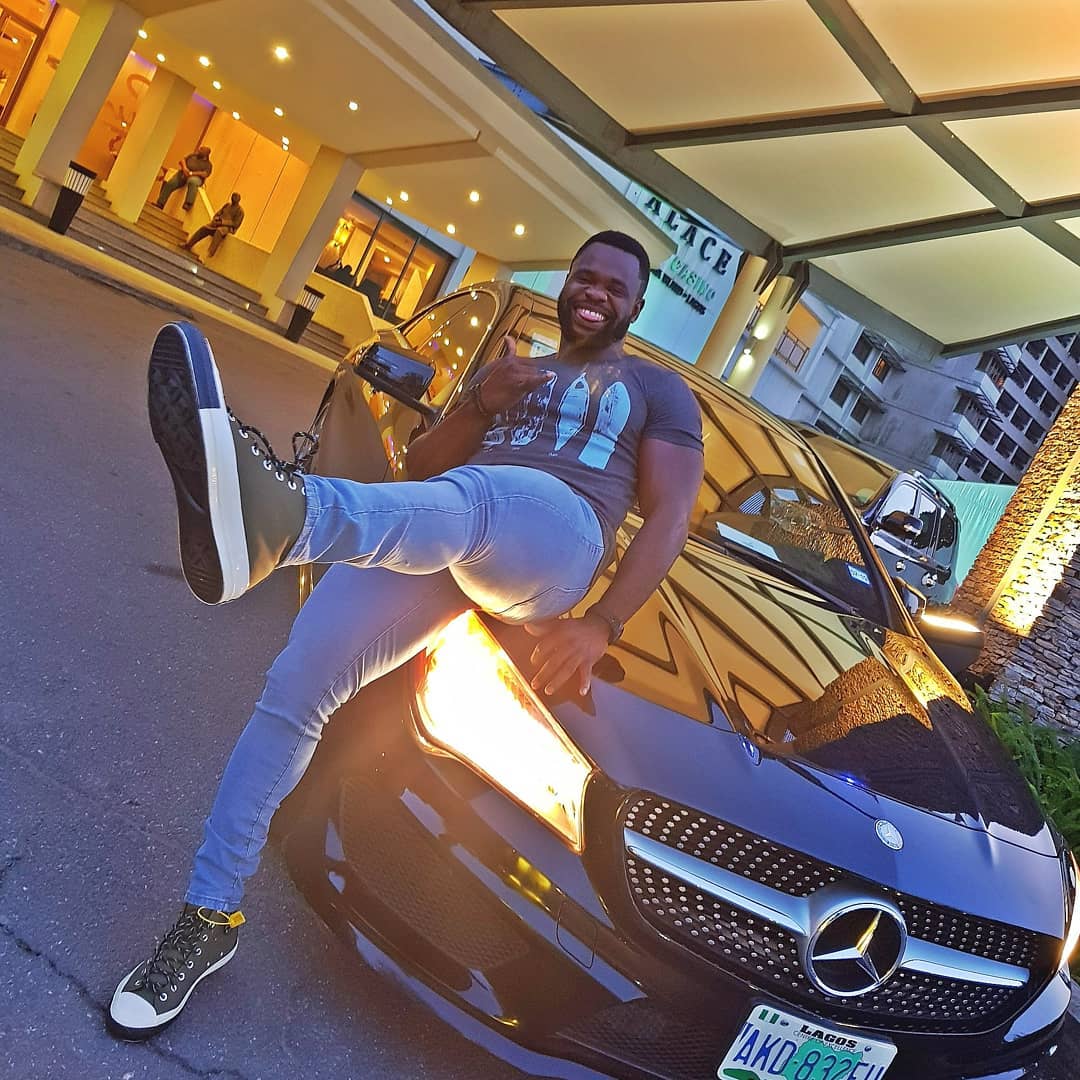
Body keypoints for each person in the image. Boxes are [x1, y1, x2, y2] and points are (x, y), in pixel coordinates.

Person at [107, 231, 705, 1039]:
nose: (595, 292)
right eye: (584, 276)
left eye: (615, 286)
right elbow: (423, 466)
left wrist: (603, 622)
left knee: (486, 495)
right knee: (296, 688)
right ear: (567, 283)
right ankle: (208, 916)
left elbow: (670, 514)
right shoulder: (515, 370)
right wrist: (481, 402)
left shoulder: (657, 389)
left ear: (636, 305)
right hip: (453, 526)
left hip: (555, 540)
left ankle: (286, 519)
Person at [181, 192, 244, 258]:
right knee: (204, 228)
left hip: (227, 228)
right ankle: (188, 245)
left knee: (219, 231)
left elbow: (235, 223)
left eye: (236, 198)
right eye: (233, 197)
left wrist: (222, 222)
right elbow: (219, 213)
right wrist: (216, 218)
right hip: (217, 224)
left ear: (238, 200)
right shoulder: (227, 205)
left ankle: (209, 254)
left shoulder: (240, 211)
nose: (234, 199)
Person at [155, 146, 213, 211]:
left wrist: (191, 173)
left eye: (201, 150)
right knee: (171, 183)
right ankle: (160, 203)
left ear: (206, 154)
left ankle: (188, 203)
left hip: (196, 177)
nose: (199, 151)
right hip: (183, 174)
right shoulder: (192, 156)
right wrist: (184, 168)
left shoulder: (208, 165)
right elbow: (182, 160)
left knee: (193, 181)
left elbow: (205, 174)